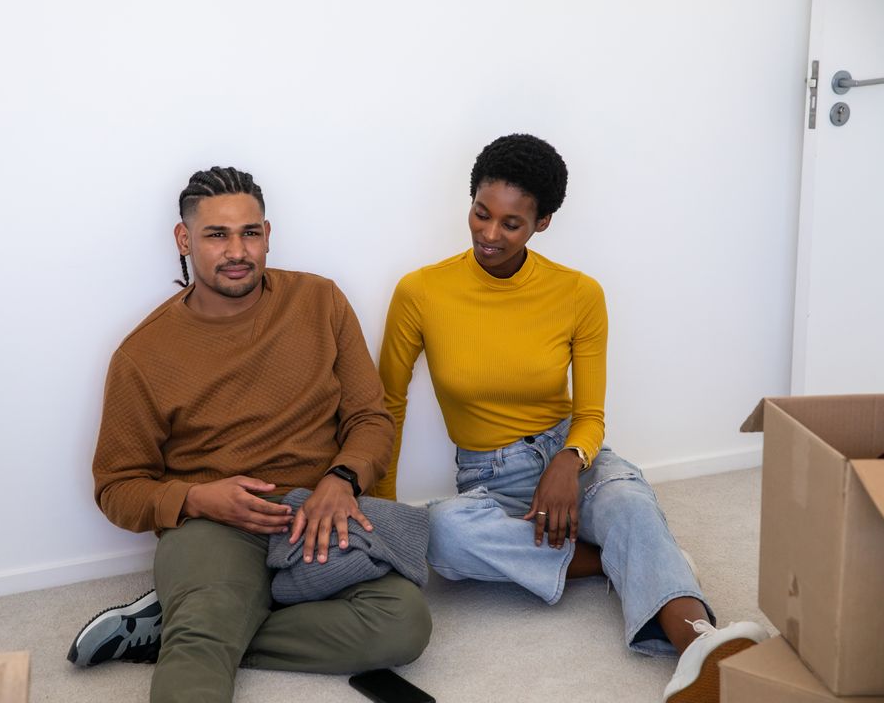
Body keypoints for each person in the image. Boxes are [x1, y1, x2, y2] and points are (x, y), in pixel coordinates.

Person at [375, 134, 766, 703]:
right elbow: (387, 404)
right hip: (489, 476)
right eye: (481, 213)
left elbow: (590, 414)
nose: (489, 234)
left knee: (628, 502)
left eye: (511, 223)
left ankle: (701, 646)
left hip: (571, 455)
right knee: (441, 533)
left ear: (543, 223)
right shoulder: (421, 291)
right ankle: (622, 560)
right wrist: (386, 516)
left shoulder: (579, 293)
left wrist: (568, 461)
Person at [71, 166, 431, 703]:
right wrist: (197, 498)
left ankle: (178, 628)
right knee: (201, 646)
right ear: (184, 239)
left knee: (403, 624)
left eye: (250, 233)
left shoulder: (321, 301)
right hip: (215, 524)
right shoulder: (142, 355)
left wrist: (342, 480)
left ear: (268, 234)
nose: (237, 251)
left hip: (314, 511)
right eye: (217, 235)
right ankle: (199, 628)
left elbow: (370, 418)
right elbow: (116, 488)